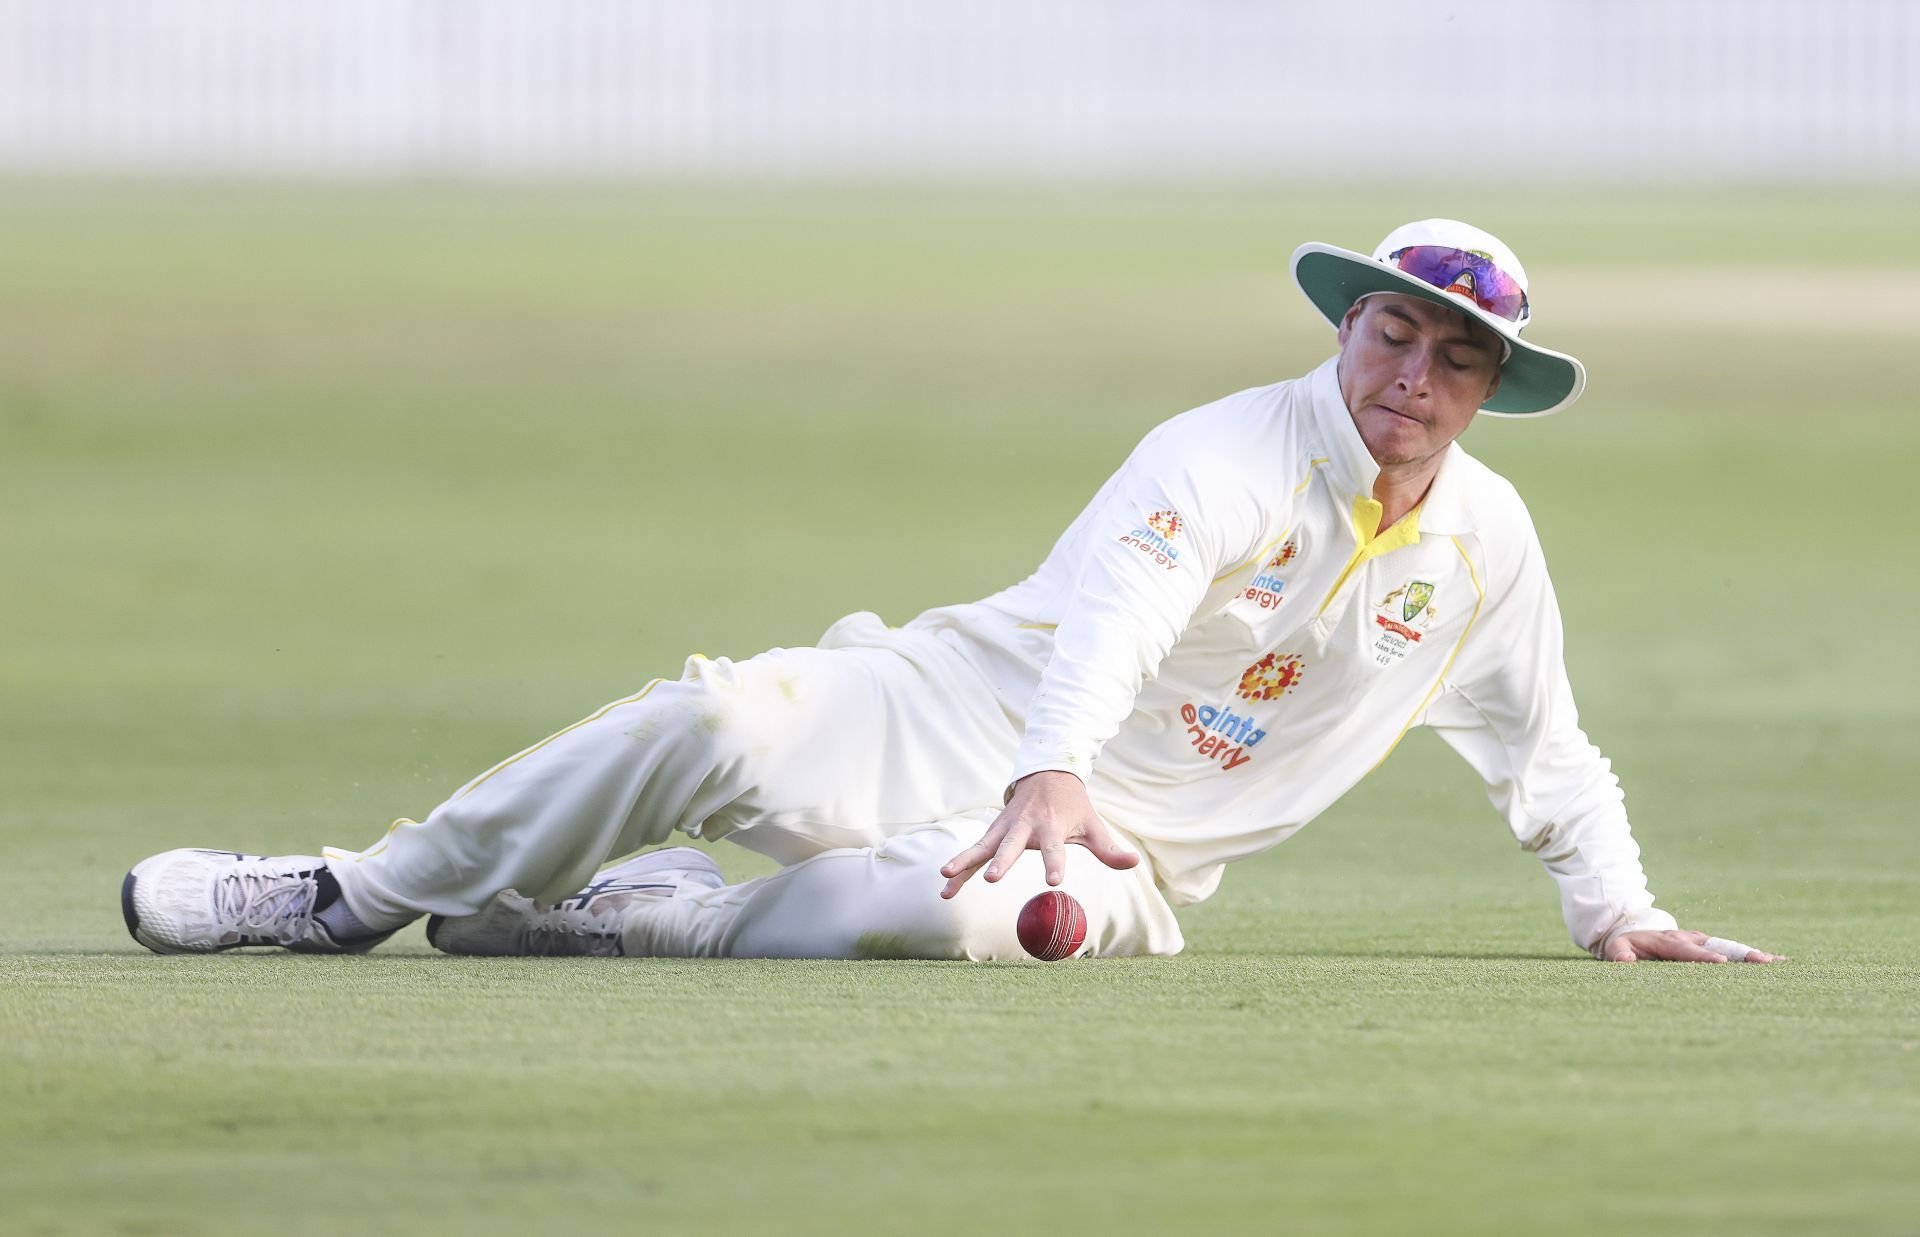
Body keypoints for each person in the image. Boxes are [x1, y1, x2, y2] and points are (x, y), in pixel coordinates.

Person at [122, 218, 1780, 966]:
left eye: (1456, 357)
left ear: (1494, 386)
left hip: (1128, 855)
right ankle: (347, 890)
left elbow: (1543, 747)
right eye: (1392, 333)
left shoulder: (1486, 545)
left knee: (955, 917)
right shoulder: (1221, 450)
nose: (1413, 375)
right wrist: (1043, 760)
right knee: (712, 713)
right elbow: (1125, 613)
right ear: (1347, 326)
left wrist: (1612, 908)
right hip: (960, 707)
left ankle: (645, 919)